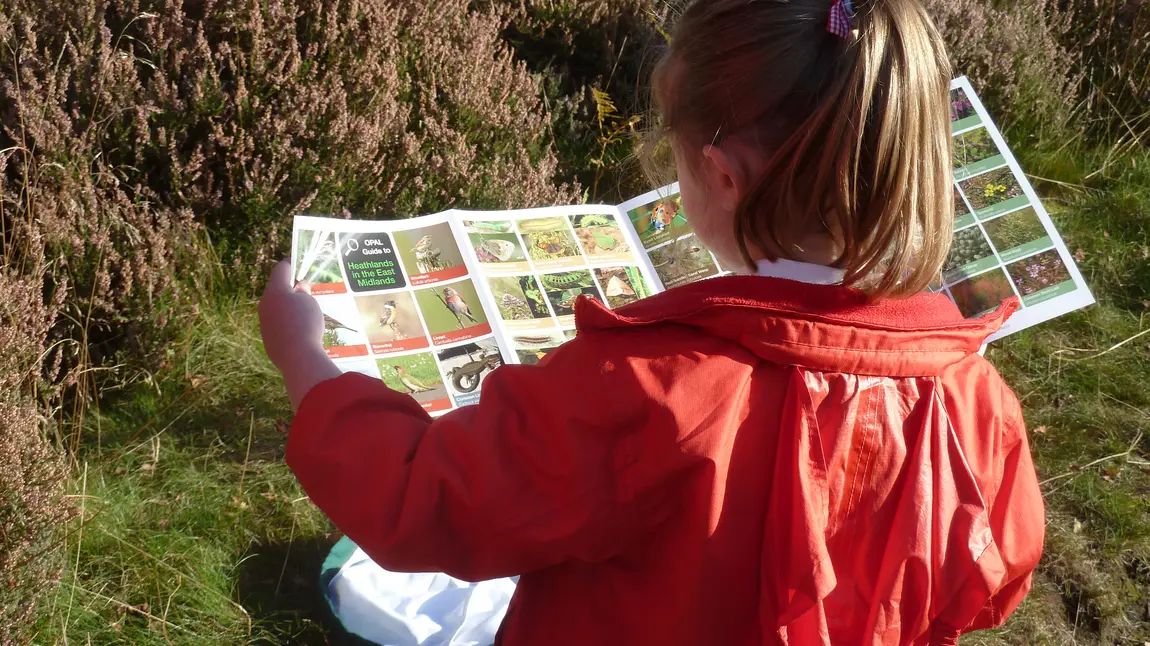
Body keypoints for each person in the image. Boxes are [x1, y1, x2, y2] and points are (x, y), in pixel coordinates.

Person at [258, 0, 1045, 643]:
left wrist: (307, 363)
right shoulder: (979, 397)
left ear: (723, 175)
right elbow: (990, 584)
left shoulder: (643, 389)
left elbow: (421, 502)